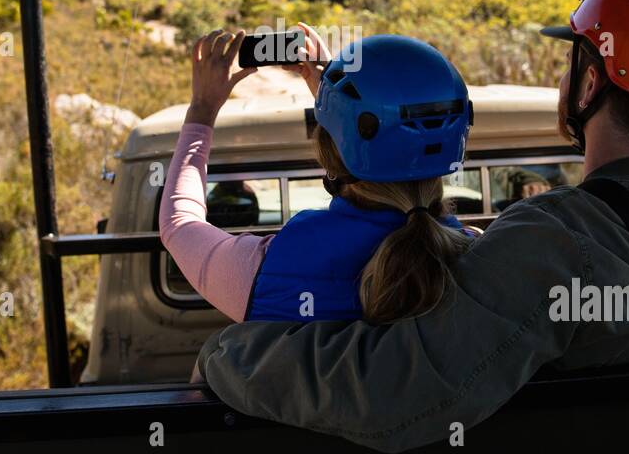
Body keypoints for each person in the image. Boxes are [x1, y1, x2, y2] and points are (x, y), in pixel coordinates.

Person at [196, 0, 629, 453]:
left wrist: (232, 352)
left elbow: (393, 391)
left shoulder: (549, 243)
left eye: (572, 59)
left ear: (591, 81)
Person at [159, 26, 476, 324]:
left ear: (330, 150)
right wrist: (334, 98)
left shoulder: (271, 269)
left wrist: (202, 109)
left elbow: (179, 225)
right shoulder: (478, 257)